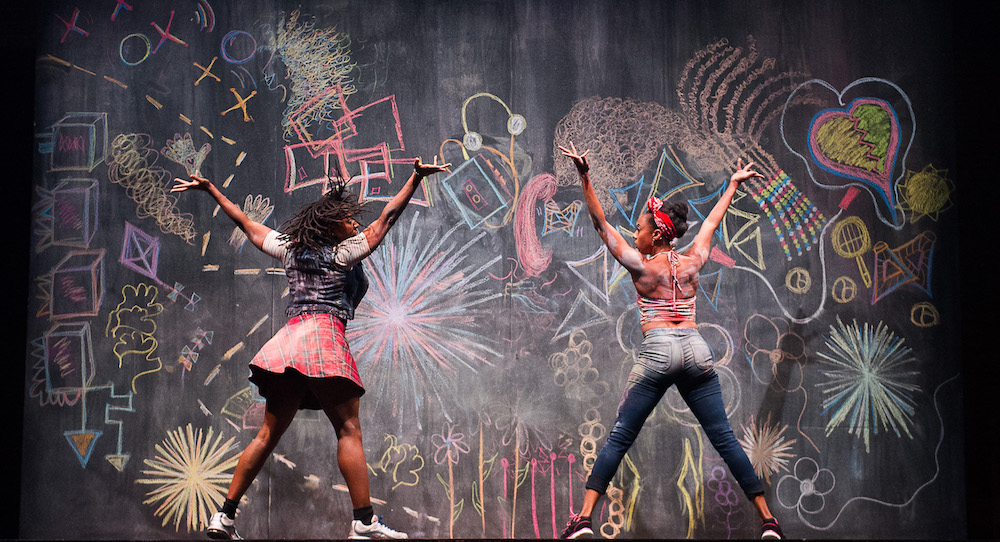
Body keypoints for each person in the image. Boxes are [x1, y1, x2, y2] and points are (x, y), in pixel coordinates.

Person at [171, 157, 450, 540]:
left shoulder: (289, 249)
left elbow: (245, 222)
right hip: (323, 342)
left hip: (287, 347)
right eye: (349, 220)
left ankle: (224, 516)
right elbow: (387, 217)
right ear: (335, 225)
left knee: (267, 435)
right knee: (349, 429)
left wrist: (211, 190)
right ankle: (364, 523)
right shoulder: (343, 254)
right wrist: (416, 177)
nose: (355, 224)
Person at [557, 143, 783, 540]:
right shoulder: (694, 260)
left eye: (640, 228)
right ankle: (769, 522)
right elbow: (712, 223)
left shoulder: (641, 266)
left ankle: (582, 521)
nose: (635, 233)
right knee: (725, 438)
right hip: (697, 350)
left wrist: (585, 176)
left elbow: (599, 225)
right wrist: (731, 185)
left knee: (620, 436)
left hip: (659, 350)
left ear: (657, 233)